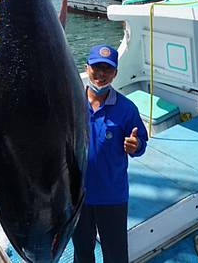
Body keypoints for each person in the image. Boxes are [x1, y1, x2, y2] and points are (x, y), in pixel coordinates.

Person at [72, 44, 149, 263]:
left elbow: (141, 143)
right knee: (82, 253)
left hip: (112, 196)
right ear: (87, 68)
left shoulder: (127, 108)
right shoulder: (71, 103)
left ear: (115, 73)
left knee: (115, 256)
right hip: (78, 196)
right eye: (97, 67)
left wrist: (136, 146)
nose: (101, 74)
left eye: (108, 69)